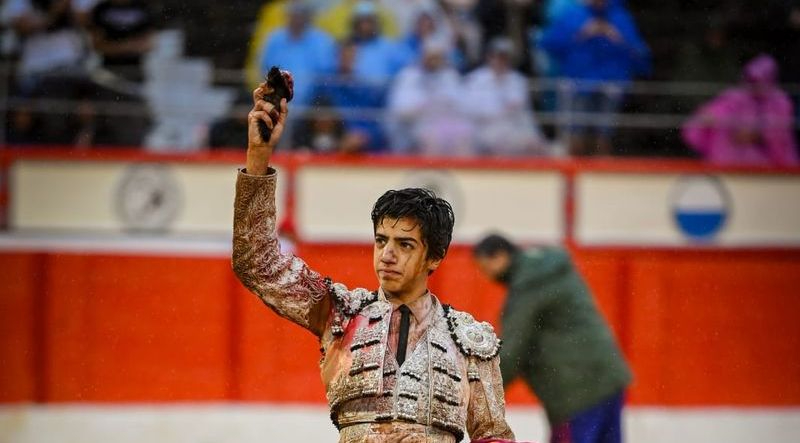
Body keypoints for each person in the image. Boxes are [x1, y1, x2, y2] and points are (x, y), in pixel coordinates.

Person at [232, 80, 516, 442]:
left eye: (405, 244)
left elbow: (494, 436)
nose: (387, 255)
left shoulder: (469, 340)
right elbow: (256, 263)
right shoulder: (340, 313)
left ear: (435, 258)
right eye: (381, 240)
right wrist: (258, 158)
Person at [473, 234, 632, 443]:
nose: (486, 275)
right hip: (608, 378)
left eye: (485, 268)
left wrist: (477, 392)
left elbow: (512, 352)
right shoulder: (551, 270)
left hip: (576, 391)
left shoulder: (528, 287)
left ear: (500, 256)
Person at [539, 0, 649, 156]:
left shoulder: (619, 16)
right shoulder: (572, 15)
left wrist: (617, 36)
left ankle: (602, 169)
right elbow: (548, 44)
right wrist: (581, 33)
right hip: (577, 82)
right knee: (574, 133)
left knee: (604, 135)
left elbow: (639, 52)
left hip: (610, 83)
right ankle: (573, 171)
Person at [682, 54, 798, 166]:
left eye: (759, 80)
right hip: (729, 160)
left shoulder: (779, 101)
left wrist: (758, 135)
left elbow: (782, 134)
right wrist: (709, 119)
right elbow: (713, 114)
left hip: (767, 164)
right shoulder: (736, 96)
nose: (755, 85)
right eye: (751, 80)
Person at [386, 39, 475, 155]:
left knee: (465, 136)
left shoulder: (450, 76)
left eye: (438, 57)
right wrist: (423, 106)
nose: (434, 61)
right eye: (431, 56)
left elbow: (463, 104)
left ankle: (463, 172)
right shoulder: (408, 76)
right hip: (416, 123)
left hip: (447, 121)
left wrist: (446, 104)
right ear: (423, 56)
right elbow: (400, 109)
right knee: (432, 137)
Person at [462, 38, 546, 156]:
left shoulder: (517, 80)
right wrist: (497, 112)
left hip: (513, 125)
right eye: (498, 57)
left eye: (504, 58)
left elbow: (518, 106)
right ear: (489, 57)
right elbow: (470, 108)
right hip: (484, 127)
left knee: (536, 144)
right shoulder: (475, 79)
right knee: (500, 143)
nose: (501, 61)